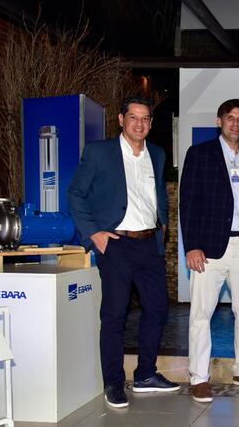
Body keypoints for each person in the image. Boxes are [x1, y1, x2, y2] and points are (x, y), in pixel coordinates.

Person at [68, 95, 180, 409]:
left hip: (149, 244)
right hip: (116, 244)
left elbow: (158, 196)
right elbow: (75, 193)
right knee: (114, 316)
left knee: (157, 310)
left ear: (151, 123)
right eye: (133, 117)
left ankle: (145, 375)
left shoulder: (156, 154)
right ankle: (114, 383)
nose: (139, 123)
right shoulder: (99, 152)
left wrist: (162, 226)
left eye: (145, 118)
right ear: (121, 120)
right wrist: (93, 233)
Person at [179, 98, 239, 403]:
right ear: (219, 121)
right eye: (229, 117)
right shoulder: (199, 154)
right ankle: (199, 377)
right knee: (201, 314)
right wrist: (192, 245)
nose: (235, 123)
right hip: (208, 248)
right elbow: (188, 202)